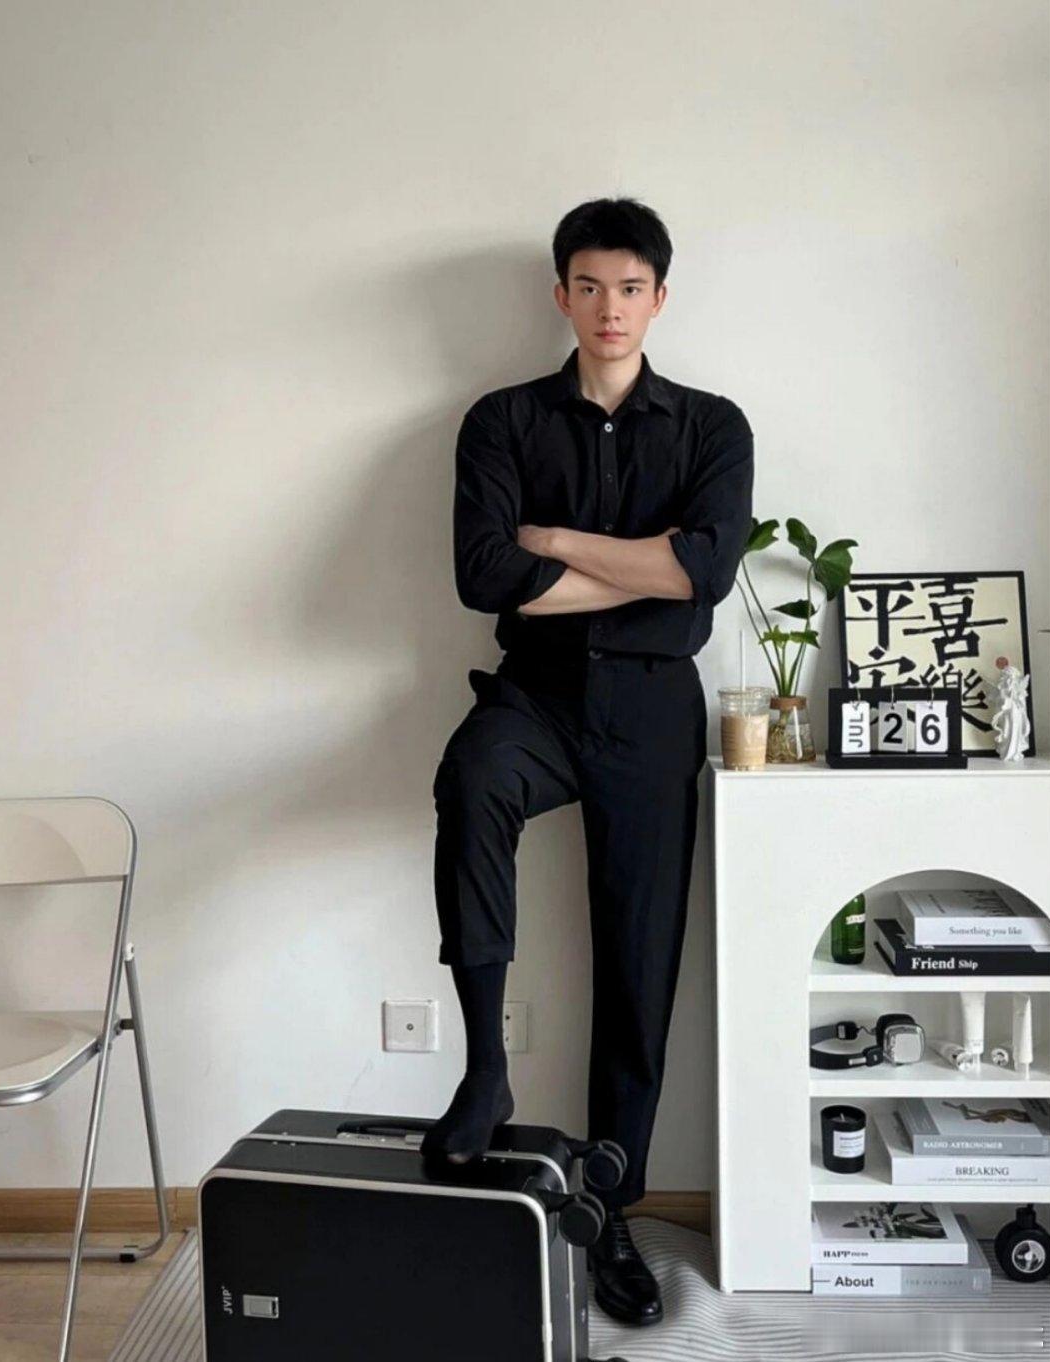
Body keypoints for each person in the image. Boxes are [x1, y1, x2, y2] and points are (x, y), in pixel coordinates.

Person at [420, 197, 754, 1327]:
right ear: (560, 294)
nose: (611, 307)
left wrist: (557, 543)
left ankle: (611, 1204)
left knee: (638, 953)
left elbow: (705, 572)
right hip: (539, 695)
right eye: (591, 286)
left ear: (660, 298)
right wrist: (647, 567)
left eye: (631, 288)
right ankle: (485, 1069)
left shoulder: (711, 427)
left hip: (655, 707)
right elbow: (482, 575)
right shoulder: (503, 420)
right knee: (472, 779)